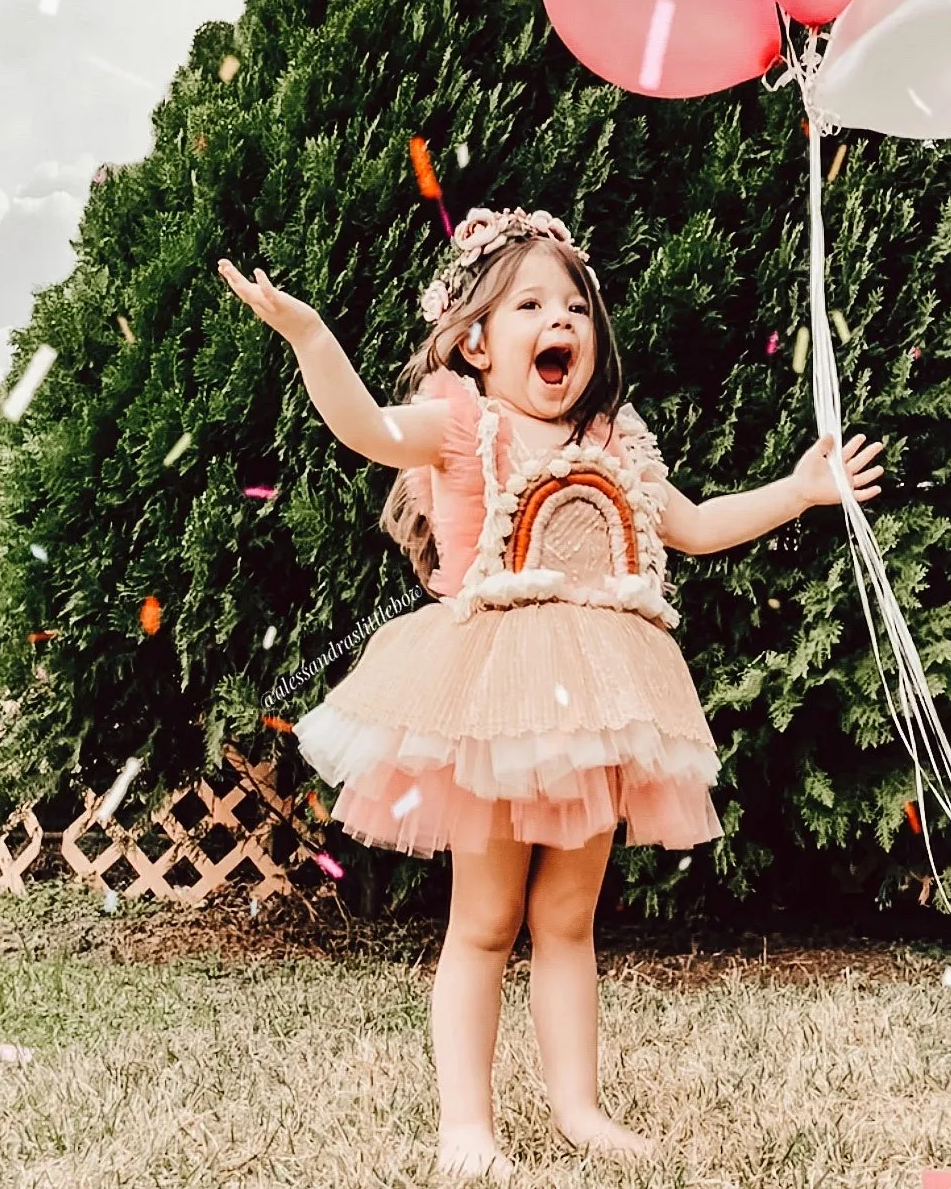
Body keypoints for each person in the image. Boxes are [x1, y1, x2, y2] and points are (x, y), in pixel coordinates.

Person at [218, 208, 884, 1180]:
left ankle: (578, 1107)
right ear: (477, 342)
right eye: (530, 302)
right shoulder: (461, 427)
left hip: (599, 707)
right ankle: (468, 1130)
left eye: (574, 302)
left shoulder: (616, 442)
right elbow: (362, 428)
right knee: (484, 921)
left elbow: (690, 527)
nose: (558, 316)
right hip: (490, 700)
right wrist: (312, 336)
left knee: (568, 919)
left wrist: (796, 491)